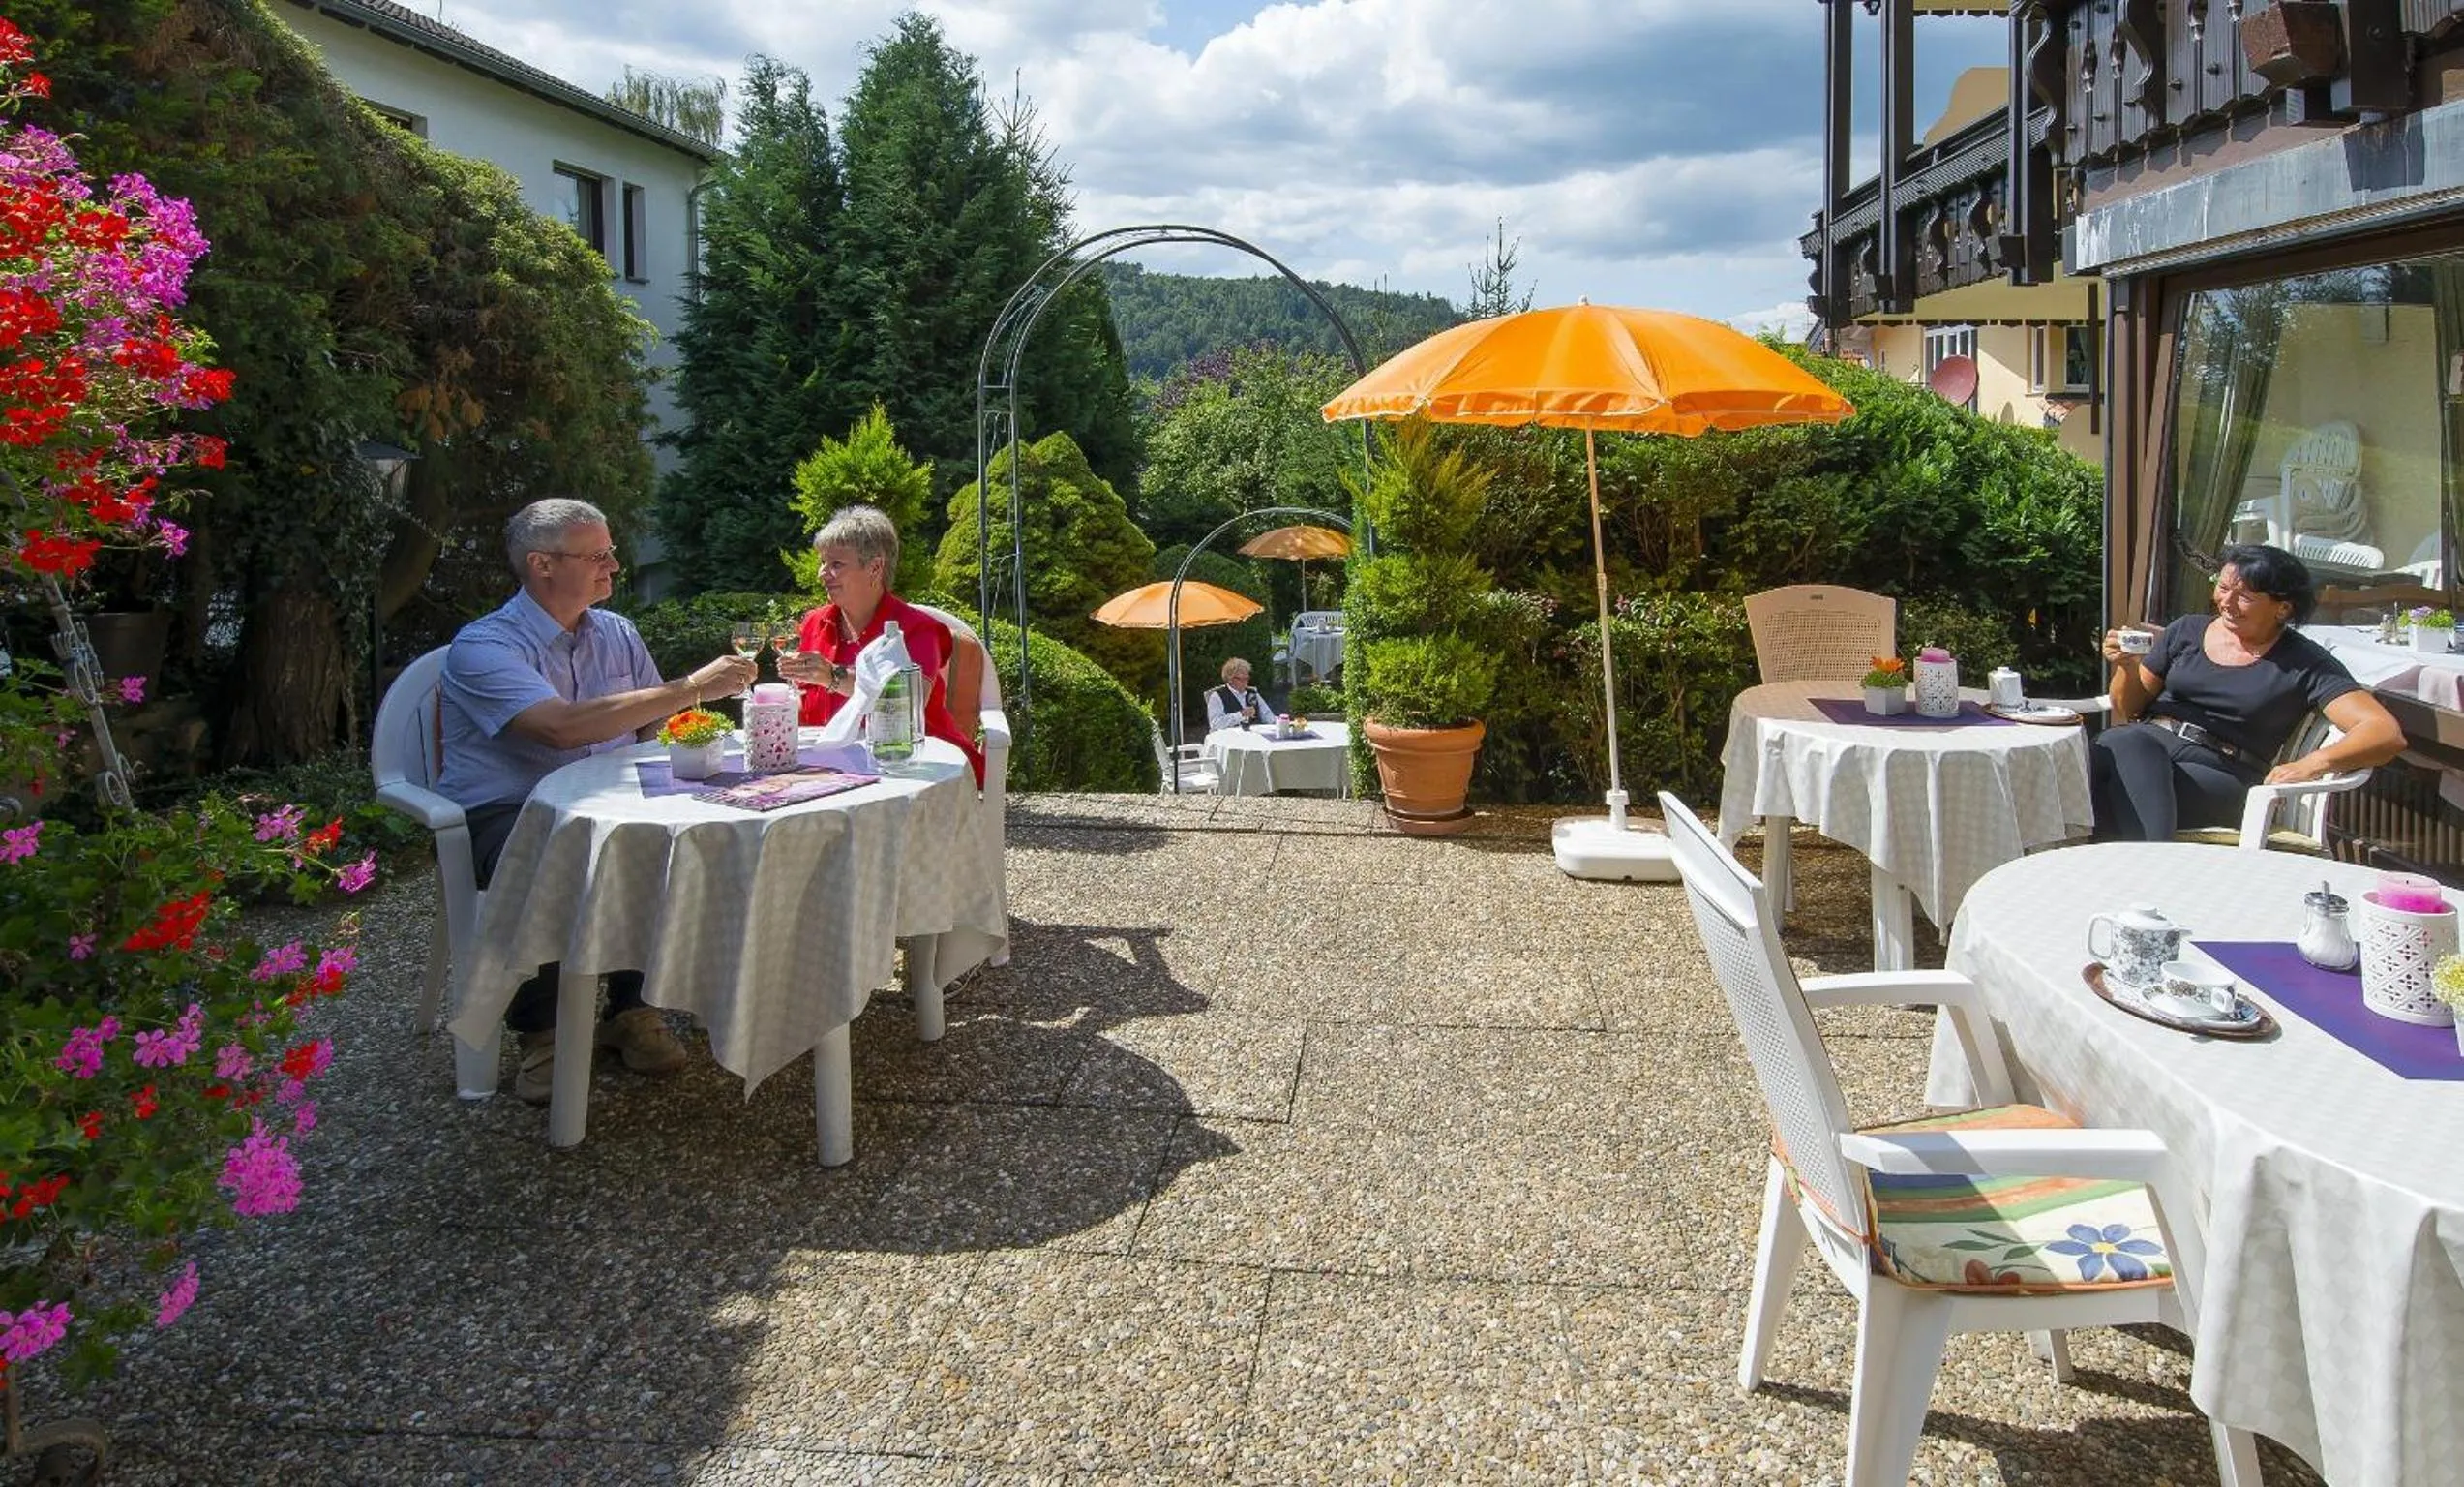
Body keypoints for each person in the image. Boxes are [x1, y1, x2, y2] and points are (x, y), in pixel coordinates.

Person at [437, 499, 758, 1104]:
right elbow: (560, 727)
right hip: (512, 806)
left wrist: (694, 757)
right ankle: (543, 1032)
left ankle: (633, 1009)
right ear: (542, 565)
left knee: (685, 835)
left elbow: (649, 729)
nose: (614, 565)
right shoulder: (483, 648)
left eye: (610, 550)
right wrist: (689, 687)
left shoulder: (618, 632)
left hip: (611, 794)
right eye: (596, 555)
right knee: (556, 853)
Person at [2091, 542, 2402, 840]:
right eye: (2223, 588)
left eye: (2244, 596)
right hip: (2148, 754)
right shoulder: (2187, 631)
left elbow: (2384, 732)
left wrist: (2311, 764)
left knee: (2116, 755)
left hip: (2219, 774)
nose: (2226, 602)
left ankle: (2138, 872)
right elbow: (2128, 707)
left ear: (2282, 608)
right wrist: (2126, 666)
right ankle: (2145, 871)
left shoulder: (2303, 662)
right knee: (2114, 760)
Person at [775, 504, 984, 783]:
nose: (822, 573)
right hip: (833, 769)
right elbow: (807, 706)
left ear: (875, 567)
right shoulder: (815, 622)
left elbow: (908, 704)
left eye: (836, 564)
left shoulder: (916, 629)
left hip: (917, 770)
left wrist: (833, 677)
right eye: (822, 562)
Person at [1205, 658, 1277, 733]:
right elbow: (1215, 724)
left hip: (1254, 737)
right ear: (1230, 679)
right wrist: (1240, 715)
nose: (1245, 682)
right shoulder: (1217, 696)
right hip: (1228, 738)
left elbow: (1268, 716)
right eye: (1241, 679)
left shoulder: (1252, 693)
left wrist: (1281, 722)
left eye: (1247, 678)